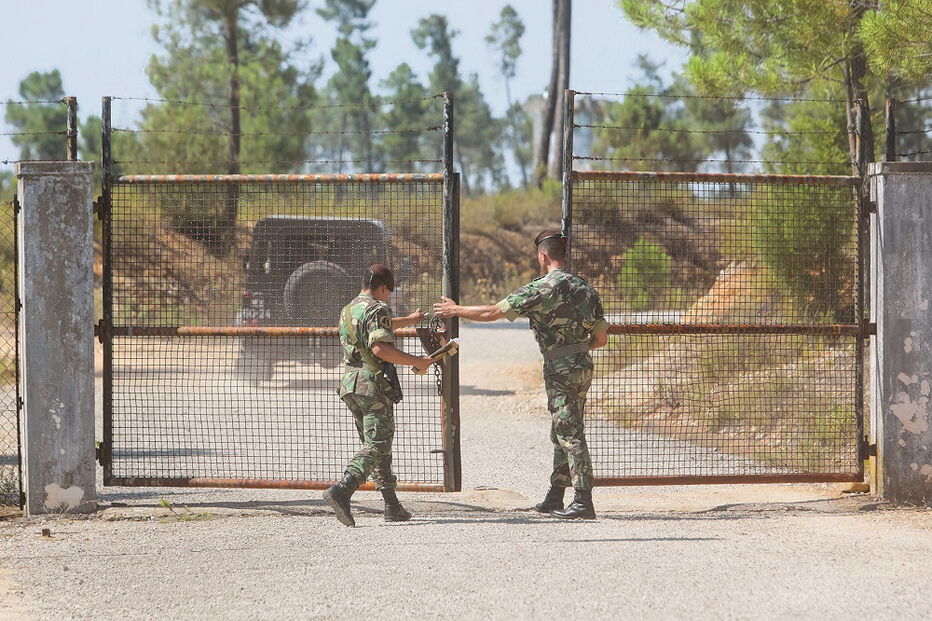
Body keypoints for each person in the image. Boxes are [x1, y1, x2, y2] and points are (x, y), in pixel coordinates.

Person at [433, 230, 609, 519]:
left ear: (542, 255)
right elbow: (601, 339)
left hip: (559, 368)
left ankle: (583, 501)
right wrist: (577, 347)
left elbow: (493, 312)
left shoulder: (540, 289)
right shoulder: (586, 289)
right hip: (582, 365)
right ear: (562, 254)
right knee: (562, 429)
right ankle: (555, 496)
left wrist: (456, 310)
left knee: (570, 433)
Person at [323, 263, 435, 527]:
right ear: (383, 287)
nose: (388, 297)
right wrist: (416, 361)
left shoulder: (349, 309)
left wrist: (408, 321)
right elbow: (379, 348)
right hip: (372, 385)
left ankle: (391, 505)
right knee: (378, 445)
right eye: (389, 292)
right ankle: (343, 488)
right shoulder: (378, 307)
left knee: (376, 445)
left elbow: (373, 326)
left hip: (351, 384)